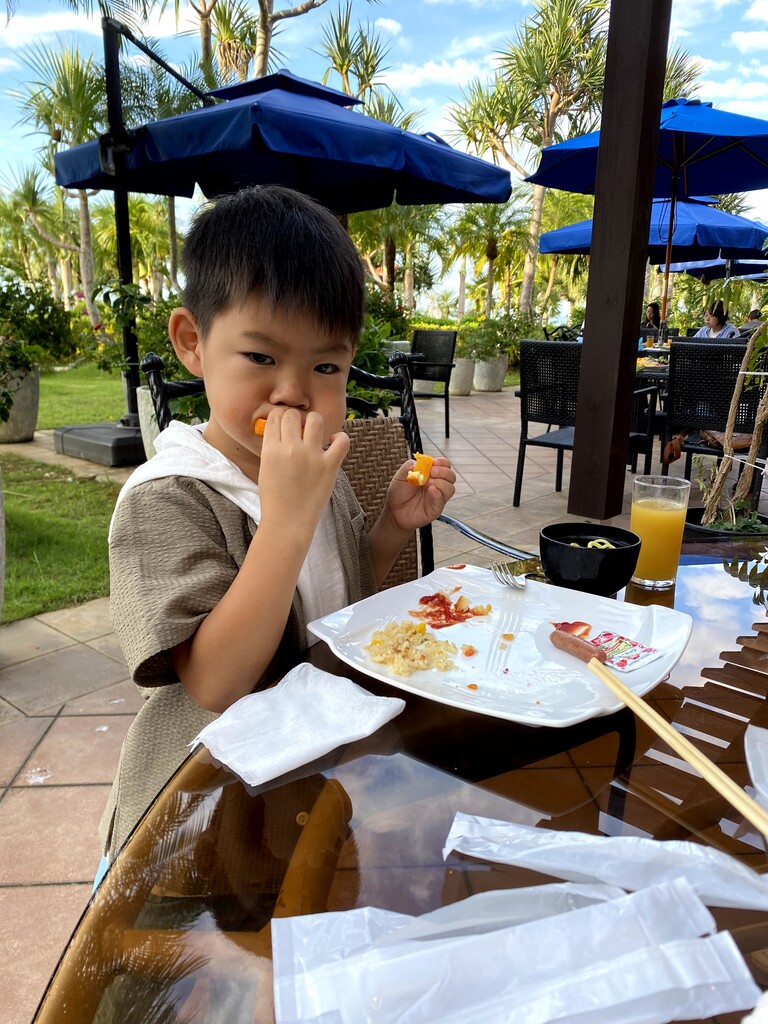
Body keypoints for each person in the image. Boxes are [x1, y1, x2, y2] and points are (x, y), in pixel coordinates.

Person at [97, 185, 456, 869]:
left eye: (325, 366)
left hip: (307, 774)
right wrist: (287, 518)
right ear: (193, 343)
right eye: (261, 358)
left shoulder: (315, 476)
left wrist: (389, 526)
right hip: (201, 812)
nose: (293, 392)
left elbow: (336, 598)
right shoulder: (168, 497)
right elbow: (215, 681)